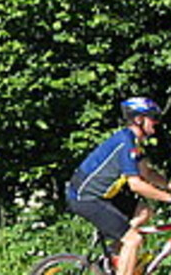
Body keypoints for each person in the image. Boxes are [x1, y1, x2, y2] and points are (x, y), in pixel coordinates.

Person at [66, 97, 171, 275]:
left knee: (144, 212)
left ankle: (118, 254)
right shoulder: (125, 143)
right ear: (139, 120)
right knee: (134, 239)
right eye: (153, 117)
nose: (156, 123)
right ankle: (125, 257)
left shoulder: (133, 142)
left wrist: (168, 185)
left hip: (104, 195)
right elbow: (136, 184)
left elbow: (147, 174)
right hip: (86, 198)